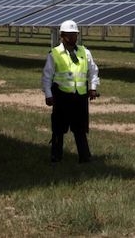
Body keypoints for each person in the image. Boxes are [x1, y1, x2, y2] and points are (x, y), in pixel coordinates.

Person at [42, 19, 99, 163]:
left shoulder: (84, 52)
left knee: (80, 129)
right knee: (58, 129)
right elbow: (47, 76)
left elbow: (93, 71)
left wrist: (92, 88)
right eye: (69, 35)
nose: (73, 38)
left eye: (75, 35)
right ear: (62, 36)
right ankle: (56, 156)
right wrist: (48, 95)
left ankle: (85, 157)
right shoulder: (54, 54)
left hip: (80, 97)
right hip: (61, 97)